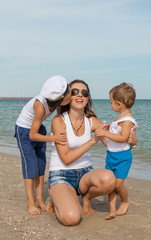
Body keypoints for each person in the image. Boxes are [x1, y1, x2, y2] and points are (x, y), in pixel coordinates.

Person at [47, 79, 137, 226]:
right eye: (74, 91)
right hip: (62, 175)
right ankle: (56, 195)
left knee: (110, 179)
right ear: (68, 97)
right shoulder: (59, 121)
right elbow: (66, 159)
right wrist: (92, 140)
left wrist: (131, 141)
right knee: (71, 219)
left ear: (88, 98)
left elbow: (113, 144)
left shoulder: (92, 121)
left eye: (84, 92)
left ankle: (86, 197)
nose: (80, 95)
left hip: (85, 175)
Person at [15, 75, 71, 215]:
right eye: (70, 92)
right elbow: (32, 135)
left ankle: (40, 199)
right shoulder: (40, 106)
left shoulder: (56, 103)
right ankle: (30, 203)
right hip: (25, 131)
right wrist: (54, 138)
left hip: (38, 128)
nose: (72, 94)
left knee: (40, 166)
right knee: (30, 166)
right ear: (62, 98)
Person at [95, 82, 137, 220]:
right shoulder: (118, 118)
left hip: (122, 157)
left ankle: (124, 201)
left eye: (111, 102)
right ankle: (112, 210)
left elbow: (123, 138)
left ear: (119, 104)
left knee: (118, 185)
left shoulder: (128, 120)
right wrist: (107, 131)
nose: (110, 105)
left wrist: (105, 134)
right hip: (111, 155)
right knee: (111, 185)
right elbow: (114, 139)